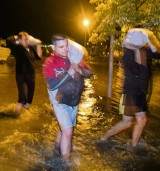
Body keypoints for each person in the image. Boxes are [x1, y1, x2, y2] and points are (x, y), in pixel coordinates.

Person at [99, 45, 160, 151]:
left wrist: (151, 42)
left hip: (140, 92)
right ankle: (104, 137)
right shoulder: (128, 52)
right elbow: (133, 69)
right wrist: (136, 50)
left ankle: (133, 145)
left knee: (141, 121)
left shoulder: (145, 49)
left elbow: (158, 54)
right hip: (131, 92)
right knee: (127, 123)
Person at [42, 34, 92, 162]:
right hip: (60, 102)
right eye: (61, 47)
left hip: (74, 101)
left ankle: (56, 148)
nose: (65, 49)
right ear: (54, 47)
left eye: (67, 45)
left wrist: (80, 70)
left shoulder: (74, 57)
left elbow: (89, 73)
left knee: (65, 128)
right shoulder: (49, 63)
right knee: (68, 130)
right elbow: (52, 85)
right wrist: (69, 72)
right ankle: (65, 162)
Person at [6, 31, 42, 113]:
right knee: (22, 98)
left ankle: (25, 114)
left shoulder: (30, 48)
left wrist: (38, 44)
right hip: (21, 75)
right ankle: (16, 115)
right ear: (20, 40)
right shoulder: (17, 48)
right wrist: (18, 36)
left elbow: (39, 57)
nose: (27, 41)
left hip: (32, 76)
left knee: (29, 100)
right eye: (25, 39)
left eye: (28, 39)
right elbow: (8, 40)